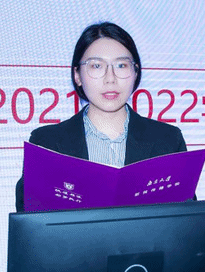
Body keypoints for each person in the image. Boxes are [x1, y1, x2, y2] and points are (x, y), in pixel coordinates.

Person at [15, 22, 189, 211]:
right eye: (96, 66)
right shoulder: (46, 143)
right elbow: (31, 220)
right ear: (77, 75)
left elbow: (187, 218)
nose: (110, 78)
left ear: (135, 72)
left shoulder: (168, 141)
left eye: (121, 65)